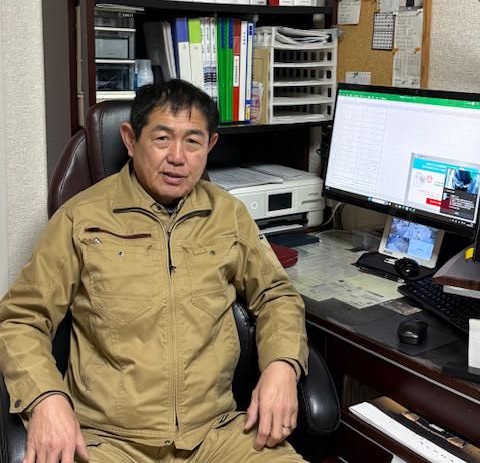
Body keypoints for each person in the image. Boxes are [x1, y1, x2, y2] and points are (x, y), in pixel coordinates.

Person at [0, 80, 309, 463]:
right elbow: (21, 319)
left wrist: (282, 365)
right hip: (109, 443)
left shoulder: (228, 214)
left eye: (193, 142)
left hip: (216, 435)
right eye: (162, 139)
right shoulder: (81, 219)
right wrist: (46, 398)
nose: (178, 157)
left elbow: (276, 295)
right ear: (130, 140)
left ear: (210, 145)